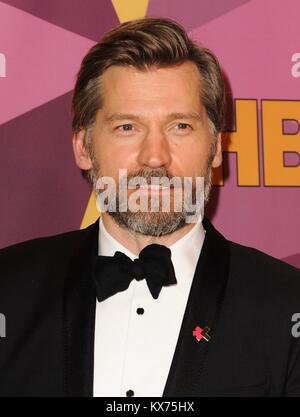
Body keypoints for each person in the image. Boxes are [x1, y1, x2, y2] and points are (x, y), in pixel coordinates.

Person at [0, 17, 299, 398]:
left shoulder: (287, 304)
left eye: (180, 127)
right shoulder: (8, 290)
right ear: (83, 147)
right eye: (127, 127)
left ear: (215, 149)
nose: (155, 157)